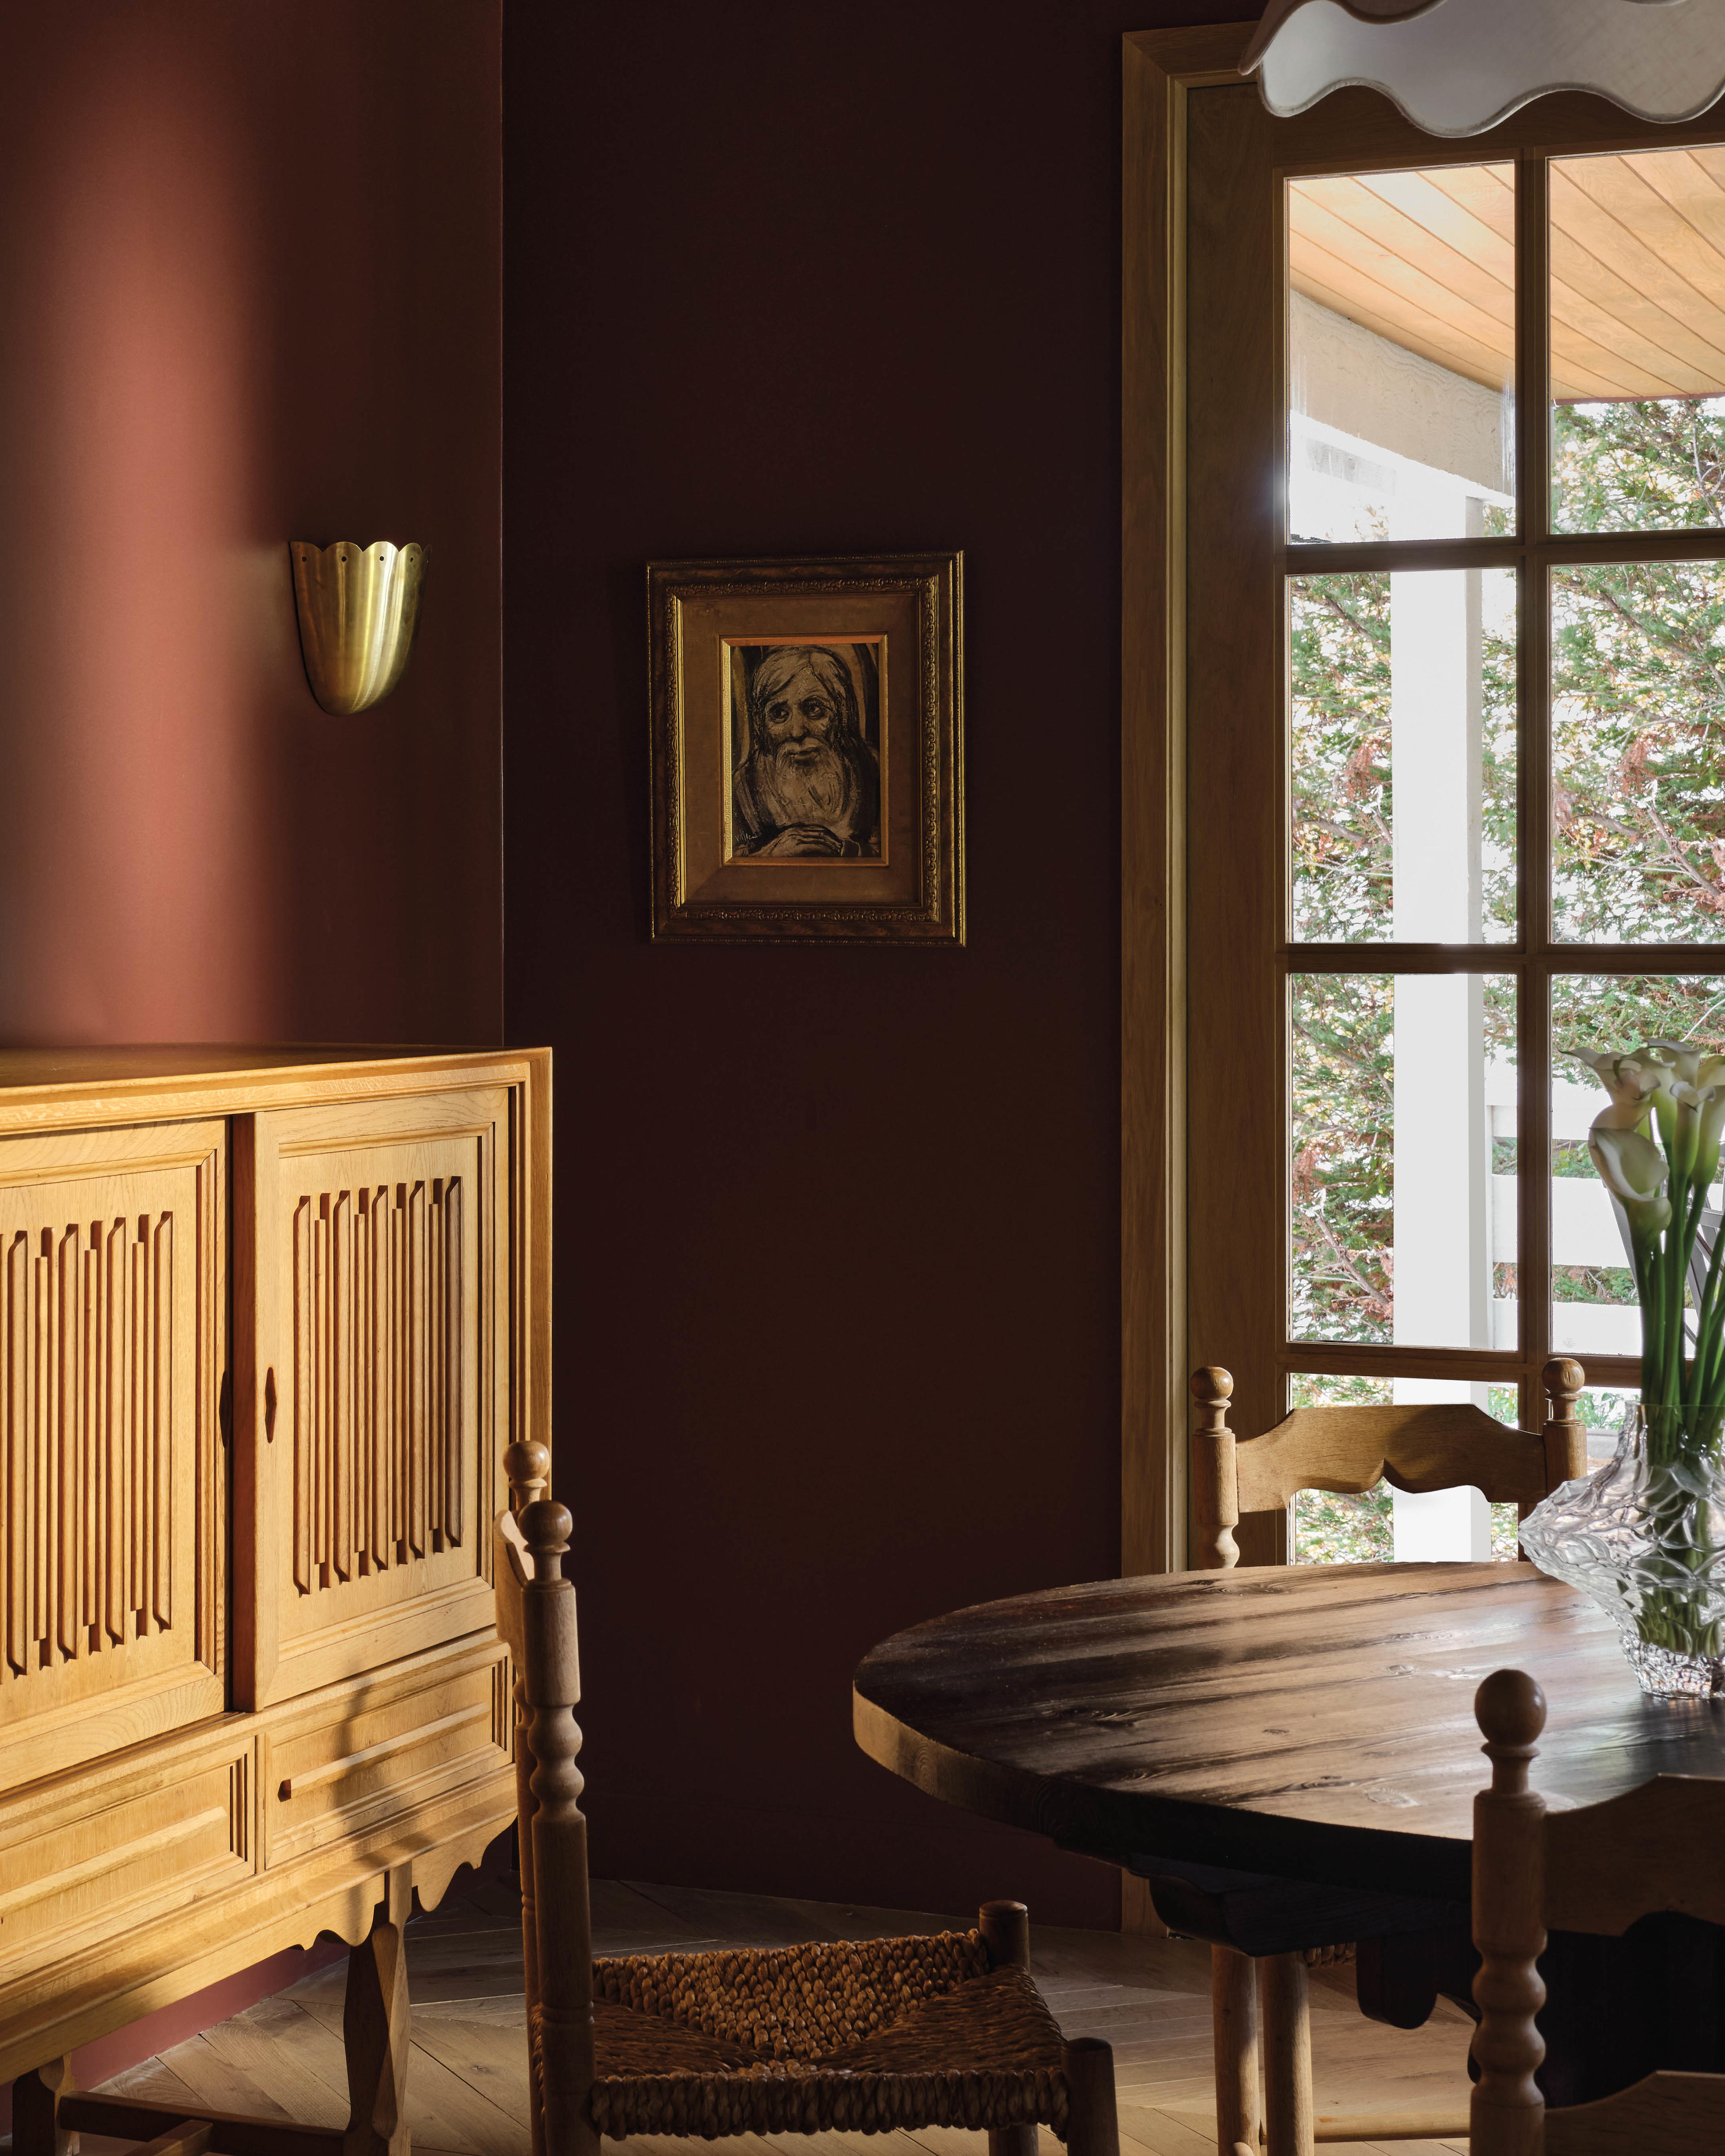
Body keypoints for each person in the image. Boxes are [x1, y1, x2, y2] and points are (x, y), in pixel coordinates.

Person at [731, 645, 880, 858]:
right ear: (761, 725)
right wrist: (772, 853)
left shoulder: (871, 770)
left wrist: (842, 851)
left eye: (814, 709)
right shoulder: (742, 788)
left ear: (841, 715)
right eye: (779, 713)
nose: (797, 731)